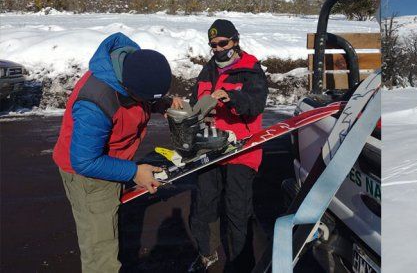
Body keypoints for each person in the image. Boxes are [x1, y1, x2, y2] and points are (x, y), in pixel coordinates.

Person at [52, 32, 182, 273]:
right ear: (126, 87)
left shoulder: (134, 67)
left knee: (115, 230)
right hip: (89, 178)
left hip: (110, 160)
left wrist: (159, 103)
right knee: (101, 255)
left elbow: (139, 97)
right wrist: (134, 172)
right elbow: (84, 161)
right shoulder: (95, 103)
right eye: (142, 98)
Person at [188, 19, 268, 272]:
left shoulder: (251, 69)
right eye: (213, 45)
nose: (218, 49)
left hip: (241, 150)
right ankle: (206, 253)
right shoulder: (208, 70)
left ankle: (240, 263)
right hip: (210, 147)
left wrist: (231, 97)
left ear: (235, 41)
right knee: (204, 204)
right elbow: (195, 102)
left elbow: (255, 104)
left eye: (223, 43)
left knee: (237, 209)